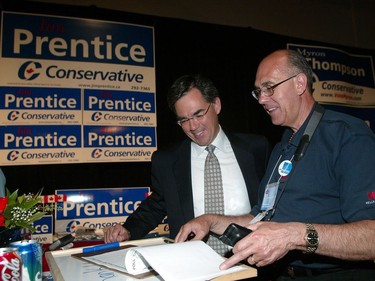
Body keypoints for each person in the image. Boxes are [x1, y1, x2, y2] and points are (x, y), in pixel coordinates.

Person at [176, 50, 375, 280]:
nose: (261, 99)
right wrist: (209, 221)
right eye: (258, 91)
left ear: (300, 83)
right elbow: (260, 218)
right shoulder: (283, 145)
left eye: (269, 87)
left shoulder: (348, 136)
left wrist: (294, 235)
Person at [104, 74, 270, 255]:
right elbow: (157, 205)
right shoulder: (167, 161)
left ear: (216, 105)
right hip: (193, 265)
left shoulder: (256, 149)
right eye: (184, 120)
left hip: (251, 261)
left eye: (198, 114)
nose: (193, 126)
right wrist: (129, 229)